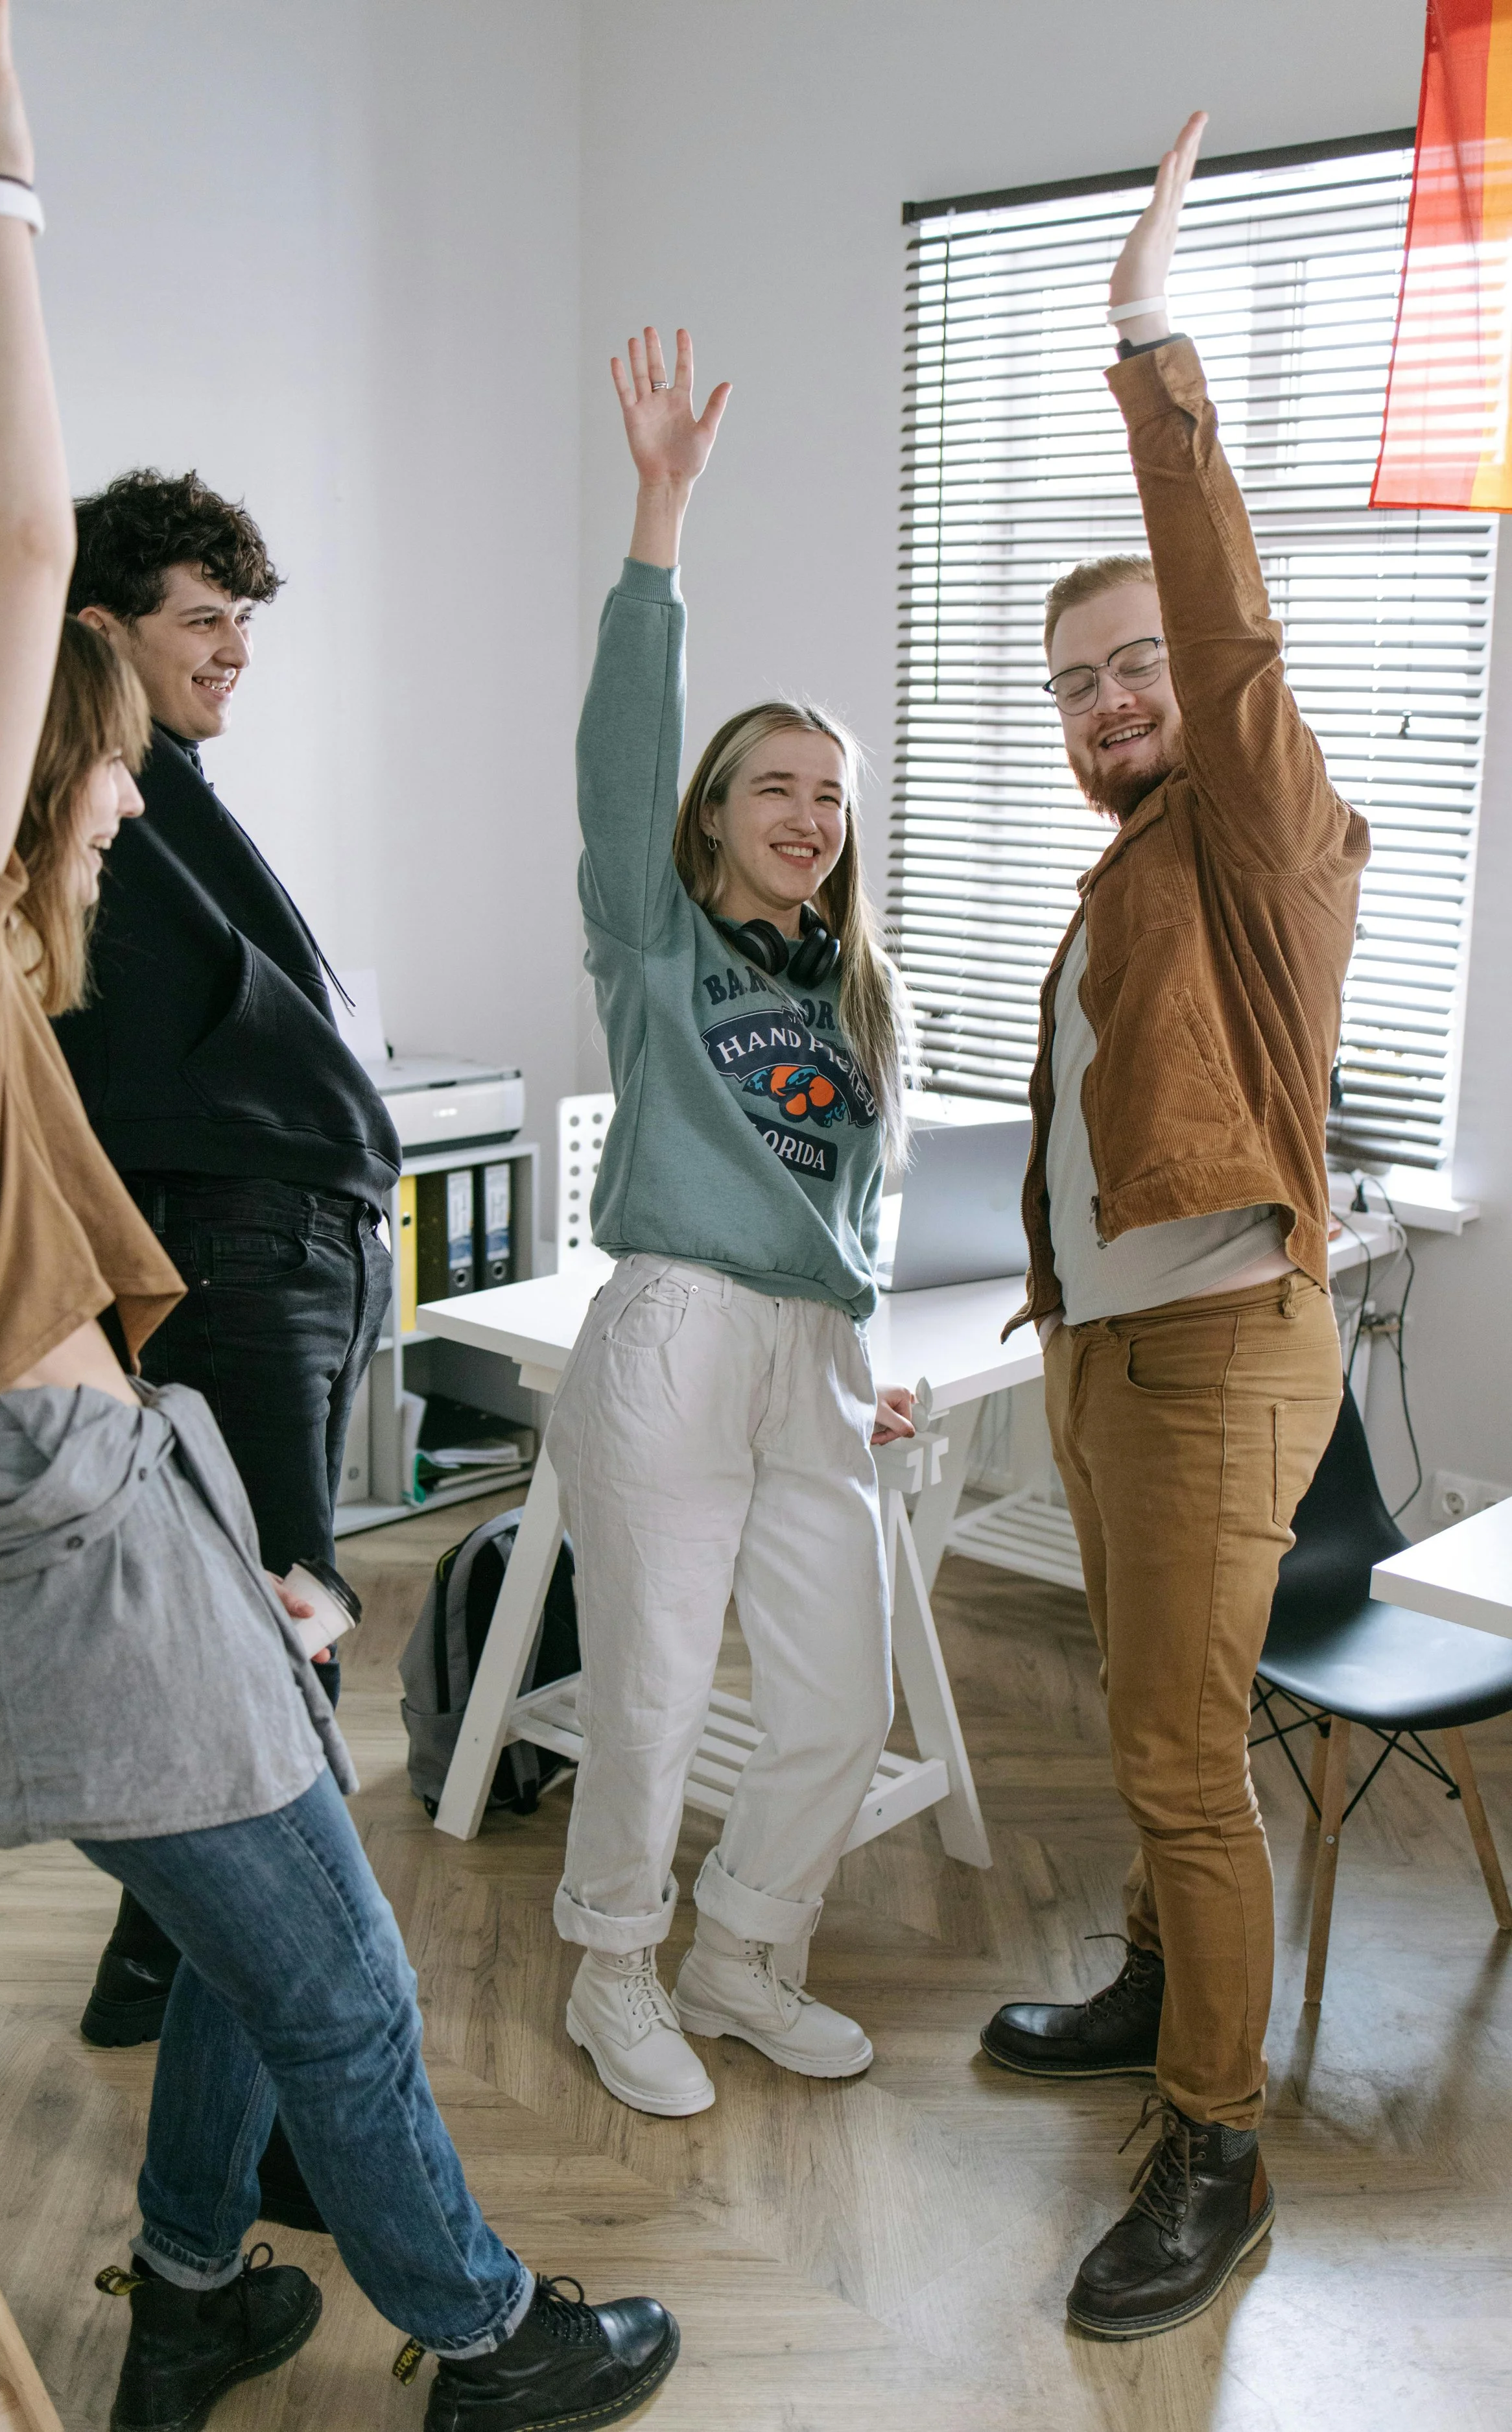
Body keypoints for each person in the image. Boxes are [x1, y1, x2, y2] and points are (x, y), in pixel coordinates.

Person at [0, 9, 679, 2429]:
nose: (132, 812)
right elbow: (4, 539)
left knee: (267, 1902)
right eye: (112, 763)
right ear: (39, 746)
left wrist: (219, 1528)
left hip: (94, 1494)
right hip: (71, 1523)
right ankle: (484, 2334)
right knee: (336, 1964)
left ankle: (200, 2267)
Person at [0, 40, 396, 2088]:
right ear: (100, 634)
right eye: (202, 619)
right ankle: (300, 2092)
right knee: (270, 1705)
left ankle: (199, 2006)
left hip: (291, 1249)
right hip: (239, 1253)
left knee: (253, 1677)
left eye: (250, 626)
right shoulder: (66, 780)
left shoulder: (157, 804)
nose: (233, 655)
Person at [976, 114, 1369, 2340]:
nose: (1117, 698)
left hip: (1219, 1352)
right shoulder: (1121, 880)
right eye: (1079, 682)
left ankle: (1213, 2145)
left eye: (1137, 663)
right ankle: (1155, 1988)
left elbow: (1219, 629)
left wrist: (1147, 339)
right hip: (1109, 1355)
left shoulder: (1259, 834)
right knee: (1149, 1731)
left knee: (1176, 1756)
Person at [552, 324, 917, 2121]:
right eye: (773, 783)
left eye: (830, 796)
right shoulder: (654, 938)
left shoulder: (863, 996)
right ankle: (611, 1967)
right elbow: (617, 767)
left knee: (840, 1699)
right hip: (676, 1331)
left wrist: (863, 1350)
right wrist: (659, 518)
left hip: (811, 1355)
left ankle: (741, 1949)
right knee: (651, 1690)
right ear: (712, 814)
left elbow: (854, 1201)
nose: (807, 814)